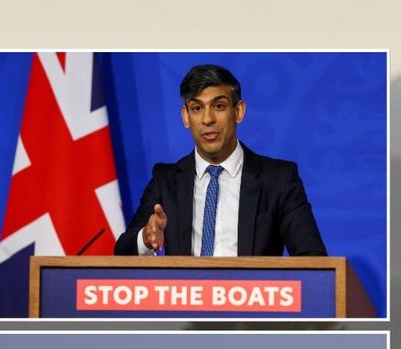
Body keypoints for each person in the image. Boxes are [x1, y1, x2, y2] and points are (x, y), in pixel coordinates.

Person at [114, 64, 326, 257]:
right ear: (186, 117)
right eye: (197, 108)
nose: (207, 119)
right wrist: (146, 238)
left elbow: (313, 260)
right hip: (187, 299)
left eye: (219, 106)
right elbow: (122, 251)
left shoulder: (279, 180)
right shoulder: (166, 180)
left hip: (250, 297)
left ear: (238, 111)